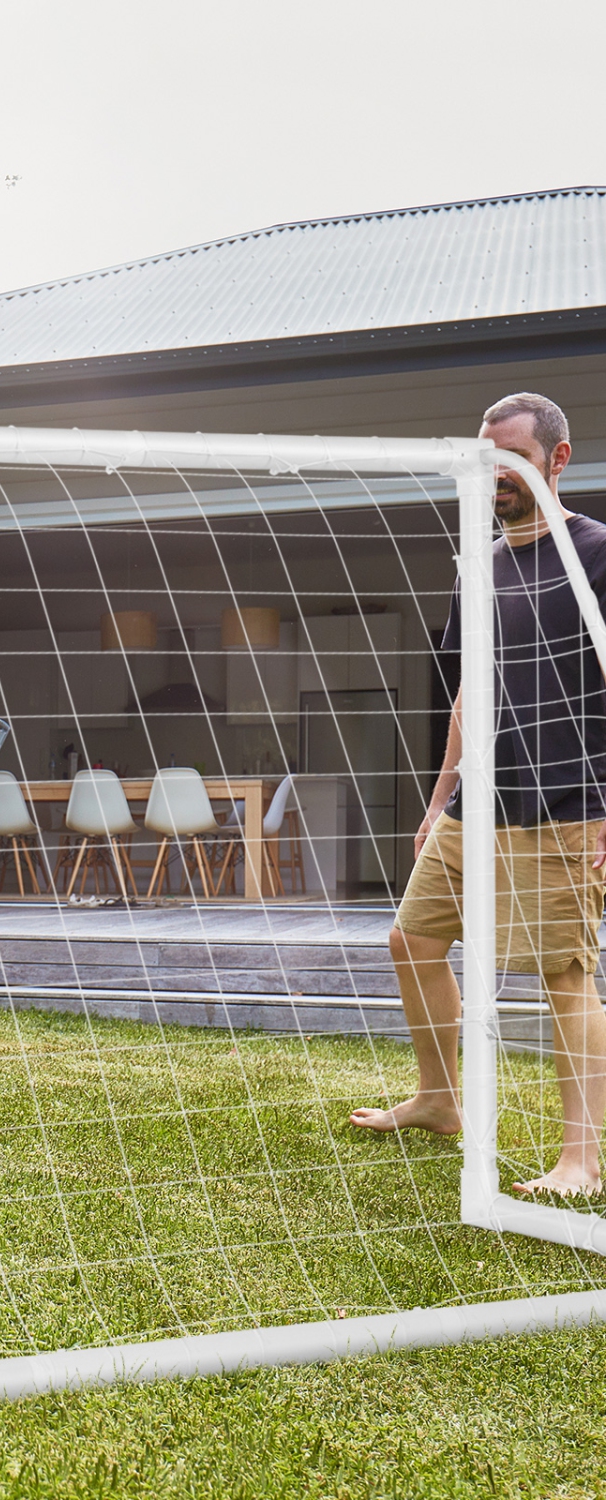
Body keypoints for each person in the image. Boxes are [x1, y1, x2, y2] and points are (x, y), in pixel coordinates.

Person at [350, 392, 606, 1197]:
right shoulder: (481, 561)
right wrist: (437, 801)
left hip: (567, 806)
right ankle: (438, 1099)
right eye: (484, 455)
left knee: (564, 975)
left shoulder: (599, 554)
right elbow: (471, 692)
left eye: (510, 457)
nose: (492, 472)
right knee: (412, 941)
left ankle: (581, 1160)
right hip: (477, 804)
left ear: (557, 460)